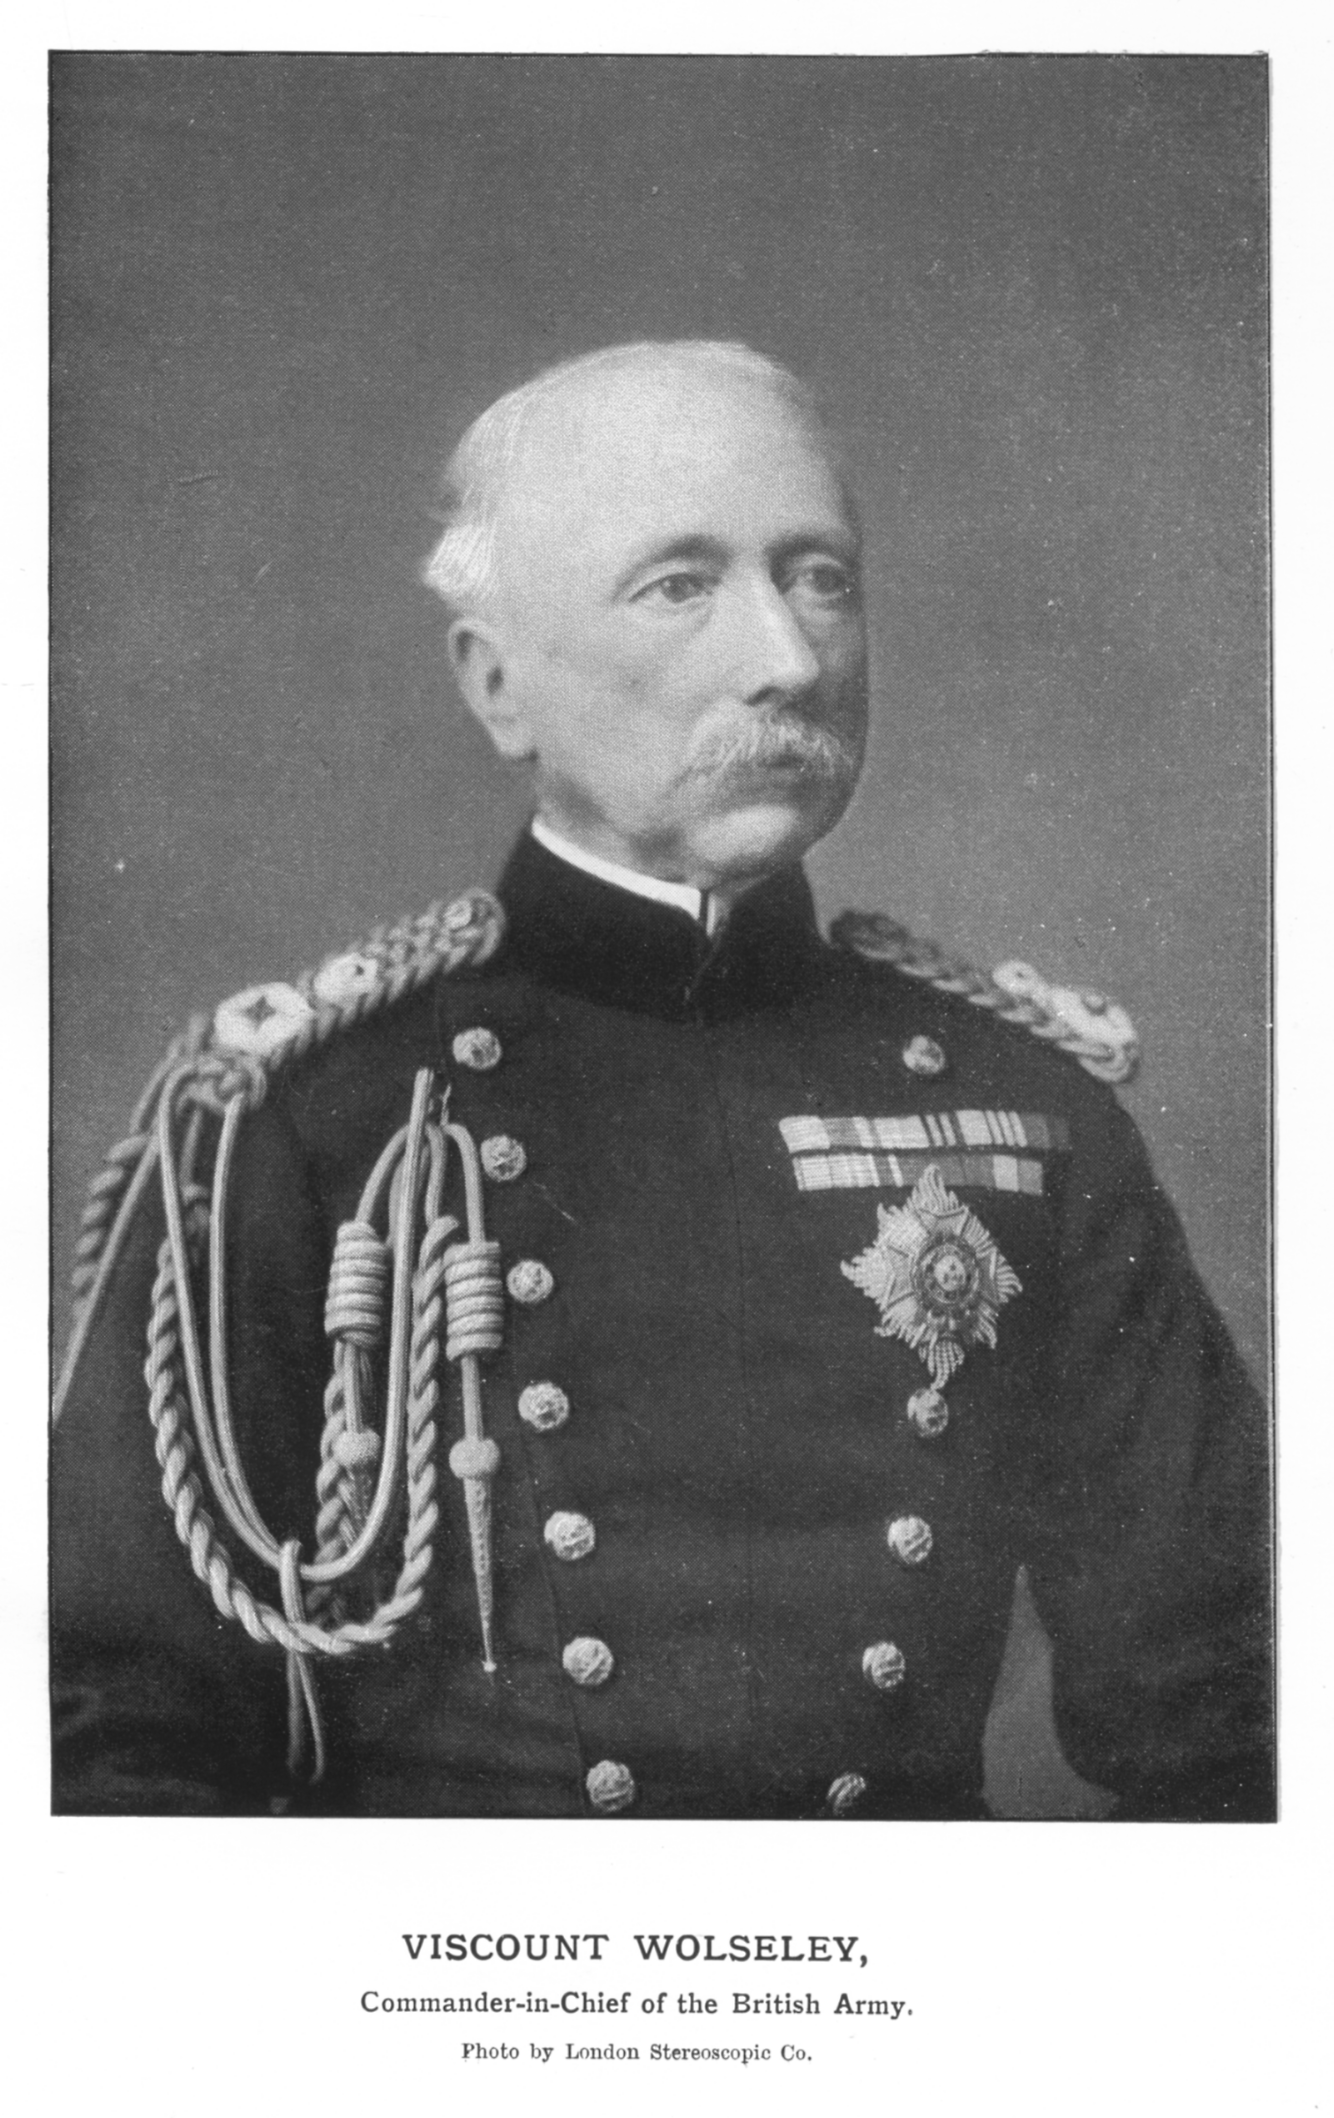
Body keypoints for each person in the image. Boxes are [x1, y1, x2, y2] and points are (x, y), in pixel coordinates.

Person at [51, 339, 1273, 1821]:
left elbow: (1237, 1725)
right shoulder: (307, 1117)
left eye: (820, 577)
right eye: (679, 585)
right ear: (497, 684)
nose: (789, 657)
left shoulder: (1030, 1110)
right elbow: (113, 1750)